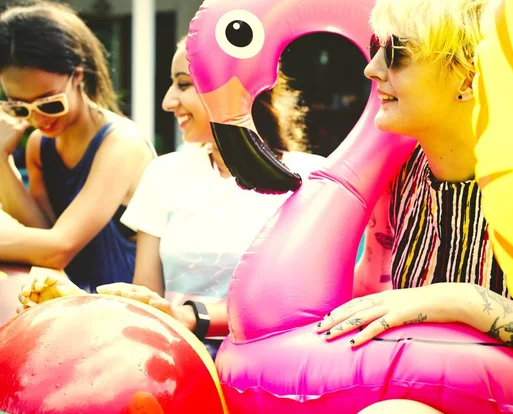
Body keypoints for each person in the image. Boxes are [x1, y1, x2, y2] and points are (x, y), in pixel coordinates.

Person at [19, 36, 324, 359]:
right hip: (178, 365)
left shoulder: (311, 179)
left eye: (183, 84)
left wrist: (190, 318)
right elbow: (147, 303)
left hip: (277, 369)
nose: (168, 101)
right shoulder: (163, 174)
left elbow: (307, 303)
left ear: (237, 87)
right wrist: (76, 301)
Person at [311, 0, 513, 391]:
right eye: (376, 46)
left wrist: (462, 301)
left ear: (467, 77)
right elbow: (358, 294)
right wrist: (204, 316)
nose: (371, 68)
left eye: (395, 53)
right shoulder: (397, 177)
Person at [0, 1, 155, 292]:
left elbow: (59, 248)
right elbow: (39, 237)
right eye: (20, 108)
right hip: (66, 305)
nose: (38, 118)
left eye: (49, 103)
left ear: (78, 76)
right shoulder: (40, 145)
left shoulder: (121, 143)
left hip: (122, 312)